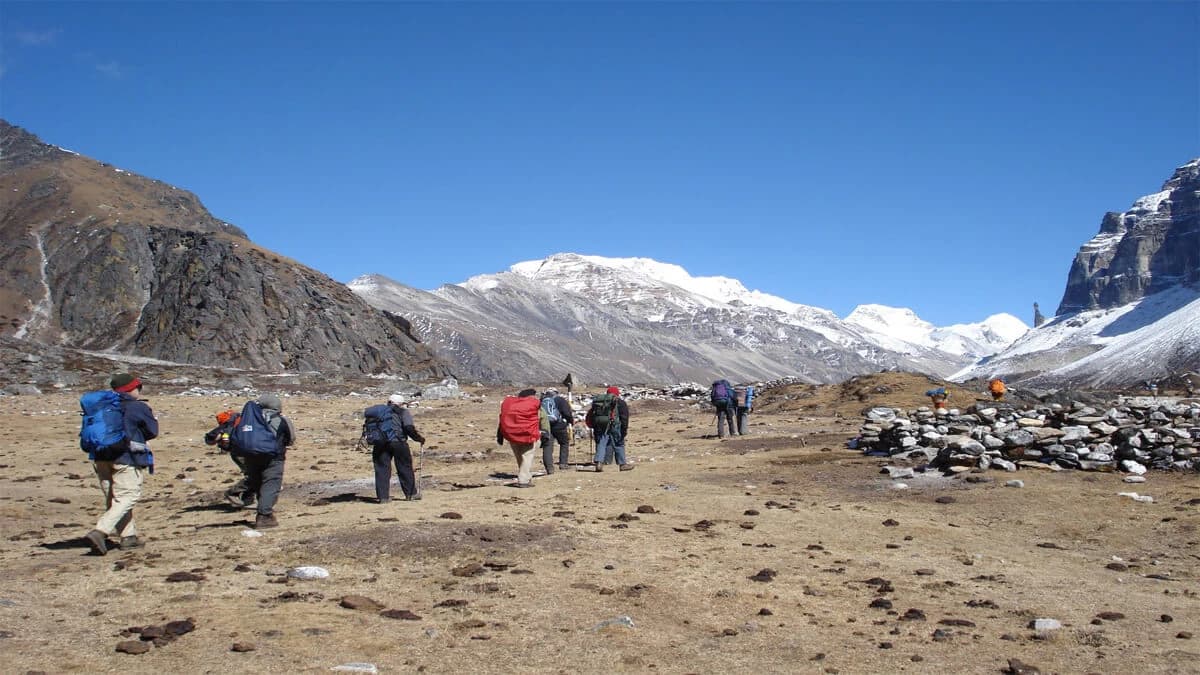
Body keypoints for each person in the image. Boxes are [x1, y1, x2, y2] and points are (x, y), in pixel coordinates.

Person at [83, 373, 158, 556]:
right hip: (126, 457)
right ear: (131, 389)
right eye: (137, 387)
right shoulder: (137, 407)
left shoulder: (102, 406)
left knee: (114, 498)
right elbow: (152, 431)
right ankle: (100, 531)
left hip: (100, 456)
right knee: (127, 496)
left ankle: (128, 537)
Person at [229, 393, 296, 529]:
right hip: (274, 457)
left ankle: (261, 508)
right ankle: (264, 516)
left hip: (250, 457)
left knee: (258, 483)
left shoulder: (247, 419)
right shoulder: (281, 420)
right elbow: (291, 439)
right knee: (271, 484)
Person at [365, 394, 427, 503]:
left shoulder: (379, 413)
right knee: (404, 468)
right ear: (400, 403)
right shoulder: (403, 412)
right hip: (399, 443)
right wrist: (419, 439)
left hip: (380, 444)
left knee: (382, 470)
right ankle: (411, 494)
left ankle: (383, 497)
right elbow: (408, 428)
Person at [497, 388, 548, 488]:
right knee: (527, 456)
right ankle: (523, 480)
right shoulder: (535, 404)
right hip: (528, 434)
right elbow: (543, 418)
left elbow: (502, 418)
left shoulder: (510, 405)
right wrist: (546, 433)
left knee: (520, 457)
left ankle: (526, 476)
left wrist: (500, 435)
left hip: (512, 435)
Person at [205, 409, 255, 508]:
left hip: (240, 452)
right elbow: (211, 438)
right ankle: (234, 493)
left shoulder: (229, 425)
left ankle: (247, 500)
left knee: (253, 474)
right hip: (242, 453)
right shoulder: (237, 423)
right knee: (254, 475)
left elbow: (210, 439)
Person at [587, 386, 633, 471]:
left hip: (600, 426)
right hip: (614, 426)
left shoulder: (600, 402)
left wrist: (594, 426)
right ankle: (622, 464)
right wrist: (624, 430)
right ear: (617, 393)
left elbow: (592, 415)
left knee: (601, 443)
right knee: (619, 444)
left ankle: (599, 463)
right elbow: (624, 418)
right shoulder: (620, 403)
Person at [540, 387, 573, 472]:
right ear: (556, 392)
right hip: (559, 425)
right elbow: (567, 413)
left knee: (547, 446)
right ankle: (563, 464)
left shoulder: (542, 401)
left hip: (545, 426)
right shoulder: (560, 400)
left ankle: (549, 468)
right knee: (564, 443)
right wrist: (570, 421)